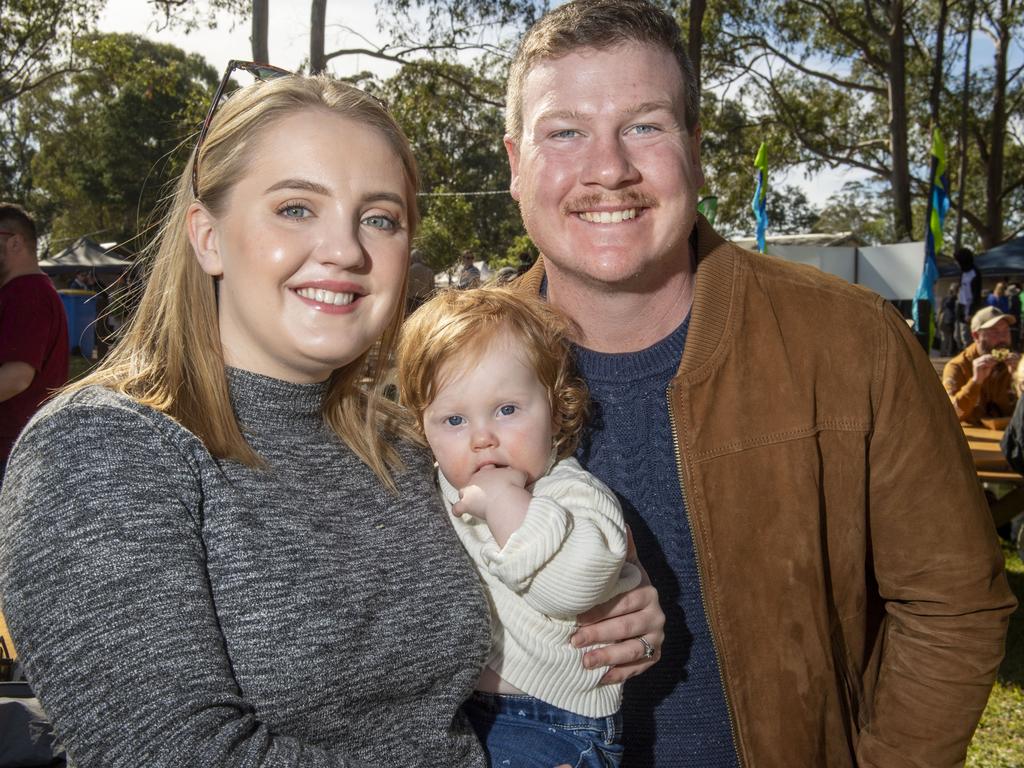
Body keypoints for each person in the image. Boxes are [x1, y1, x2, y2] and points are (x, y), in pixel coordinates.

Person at [0, 72, 662, 767]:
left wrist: (618, 601)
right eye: (295, 208)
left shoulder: (409, 442)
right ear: (207, 237)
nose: (346, 249)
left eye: (380, 218)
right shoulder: (104, 448)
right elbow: (170, 751)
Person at [502, 1, 1016, 765]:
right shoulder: (435, 368)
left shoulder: (853, 342)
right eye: (565, 131)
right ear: (515, 163)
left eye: (645, 124)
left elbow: (954, 605)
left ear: (696, 154)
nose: (608, 168)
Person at [397, 286, 646, 767]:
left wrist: (507, 504)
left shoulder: (572, 495)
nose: (482, 438)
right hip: (460, 711)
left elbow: (571, 591)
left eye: (507, 410)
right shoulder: (441, 485)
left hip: (554, 723)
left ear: (556, 411)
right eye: (452, 419)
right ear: (423, 428)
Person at [0, 203, 69, 486]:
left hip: (11, 453)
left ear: (15, 242)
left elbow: (17, 377)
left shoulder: (27, 294)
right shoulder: (23, 291)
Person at [942, 305, 1019, 425]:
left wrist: (1018, 380)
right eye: (995, 332)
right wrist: (975, 381)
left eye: (1006, 331)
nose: (1003, 337)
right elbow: (948, 415)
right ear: (976, 336)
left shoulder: (1020, 365)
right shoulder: (957, 366)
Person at [955, 246, 982, 349]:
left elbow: (975, 296)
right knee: (958, 337)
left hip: (969, 311)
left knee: (967, 338)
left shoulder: (974, 273)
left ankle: (971, 360)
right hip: (961, 309)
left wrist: (970, 312)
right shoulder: (962, 273)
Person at [406, 247, 435, 313]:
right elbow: (432, 288)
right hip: (425, 300)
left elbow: (408, 287)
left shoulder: (409, 271)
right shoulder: (429, 271)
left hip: (412, 301)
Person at [938, 282, 959, 356]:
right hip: (948, 321)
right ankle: (947, 354)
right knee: (949, 339)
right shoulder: (952, 298)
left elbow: (941, 309)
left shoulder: (946, 298)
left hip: (944, 320)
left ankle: (944, 353)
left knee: (946, 339)